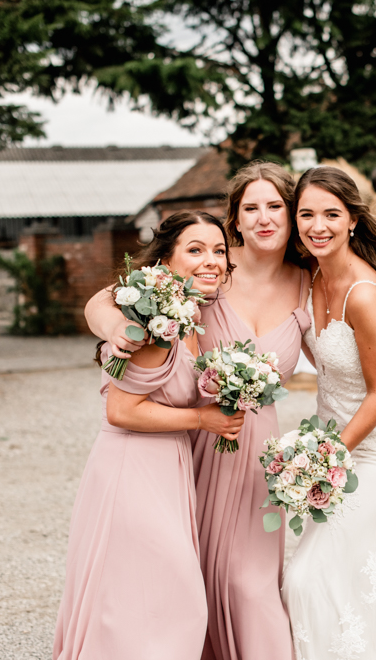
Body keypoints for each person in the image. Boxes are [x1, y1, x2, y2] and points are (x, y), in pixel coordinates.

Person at [84, 163, 308, 660]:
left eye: (276, 206)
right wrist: (113, 328)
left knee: (250, 583)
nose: (264, 218)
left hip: (257, 452)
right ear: (236, 219)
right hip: (195, 446)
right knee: (184, 576)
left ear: (292, 215)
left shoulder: (307, 281)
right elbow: (110, 298)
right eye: (251, 207)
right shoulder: (207, 271)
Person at [54, 211, 240, 660]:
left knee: (144, 594)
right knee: (168, 595)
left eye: (219, 251)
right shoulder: (158, 322)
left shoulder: (187, 315)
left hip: (164, 467)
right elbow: (121, 411)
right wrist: (204, 420)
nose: (211, 260)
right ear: (166, 261)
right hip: (132, 467)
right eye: (195, 250)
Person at [280, 165, 376, 660]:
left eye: (331, 214)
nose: (317, 226)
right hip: (334, 444)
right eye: (306, 215)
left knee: (308, 575)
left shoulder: (364, 295)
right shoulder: (309, 275)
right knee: (354, 571)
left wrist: (326, 458)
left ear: (353, 221)